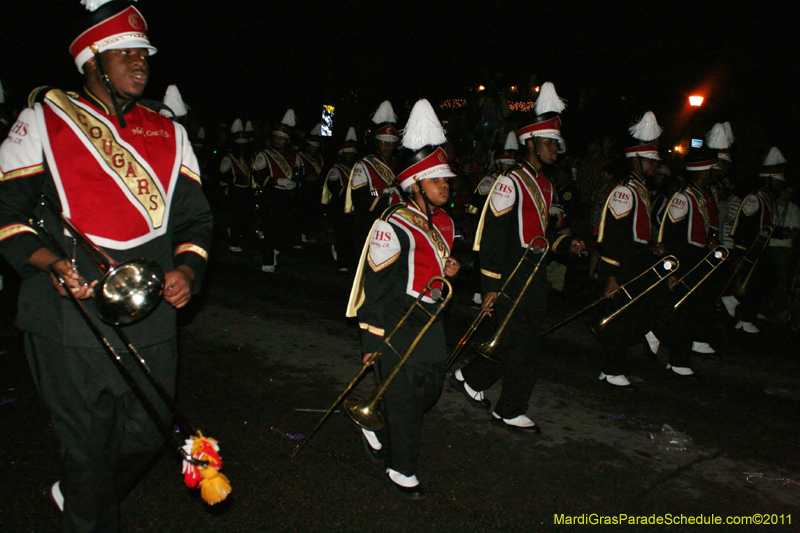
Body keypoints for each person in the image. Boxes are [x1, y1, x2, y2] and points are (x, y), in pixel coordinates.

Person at [0, 2, 213, 531]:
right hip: (70, 319)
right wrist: (49, 261)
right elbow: (6, 215)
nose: (140, 63)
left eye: (144, 54)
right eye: (126, 53)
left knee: (150, 433)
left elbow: (197, 223)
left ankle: (80, 494)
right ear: (92, 60)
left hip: (153, 317)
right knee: (91, 452)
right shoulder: (42, 122)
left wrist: (186, 271)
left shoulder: (170, 134)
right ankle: (87, 499)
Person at [451, 82, 585, 432]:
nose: (555, 149)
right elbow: (493, 236)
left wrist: (563, 245)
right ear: (530, 144)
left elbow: (542, 235)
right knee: (524, 348)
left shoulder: (545, 184)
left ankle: (471, 377)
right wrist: (490, 285)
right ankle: (509, 409)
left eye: (556, 143)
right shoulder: (510, 182)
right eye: (548, 142)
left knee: (514, 340)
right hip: (511, 274)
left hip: (533, 273)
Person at [346, 99, 460, 500]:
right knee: (408, 395)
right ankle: (401, 467)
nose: (445, 186)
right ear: (416, 186)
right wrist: (371, 340)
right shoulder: (391, 223)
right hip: (397, 317)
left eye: (446, 180)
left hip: (431, 319)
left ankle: (376, 421)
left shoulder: (446, 222)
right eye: (436, 181)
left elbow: (433, 262)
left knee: (431, 390)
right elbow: (373, 287)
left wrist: (447, 271)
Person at [594, 111, 664, 387]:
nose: (656, 166)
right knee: (622, 317)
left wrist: (652, 245)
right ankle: (611, 369)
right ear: (636, 159)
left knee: (643, 310)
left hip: (638, 261)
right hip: (621, 264)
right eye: (651, 161)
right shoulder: (625, 191)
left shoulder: (640, 188)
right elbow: (613, 234)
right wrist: (610, 274)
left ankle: (614, 361)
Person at [657, 149, 723, 376]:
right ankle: (677, 360)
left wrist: (710, 242)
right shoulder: (683, 197)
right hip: (684, 260)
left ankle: (675, 354)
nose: (715, 172)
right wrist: (673, 268)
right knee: (682, 312)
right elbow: (672, 234)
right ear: (703, 171)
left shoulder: (698, 196)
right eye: (712, 169)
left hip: (696, 259)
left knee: (690, 310)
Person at [722, 147, 788, 333]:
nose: (779, 185)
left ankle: (744, 315)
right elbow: (746, 227)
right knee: (754, 283)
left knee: (761, 283)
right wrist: (742, 252)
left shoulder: (767, 199)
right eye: (776, 181)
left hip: (760, 249)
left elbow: (764, 226)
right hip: (751, 250)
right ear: (768, 179)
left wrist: (779, 232)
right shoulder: (755, 198)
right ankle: (739, 309)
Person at [252, 108, 303, 273]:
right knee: (270, 228)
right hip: (271, 196)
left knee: (286, 231)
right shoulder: (264, 155)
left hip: (287, 197)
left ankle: (274, 250)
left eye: (282, 139)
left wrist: (295, 183)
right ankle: (267, 261)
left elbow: (299, 175)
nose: (279, 141)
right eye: (277, 138)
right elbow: (258, 175)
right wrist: (275, 181)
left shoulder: (295, 156)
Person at [345, 100, 400, 248]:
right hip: (370, 223)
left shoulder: (400, 166)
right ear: (376, 143)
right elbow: (359, 199)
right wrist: (383, 194)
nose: (387, 147)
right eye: (383, 142)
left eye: (390, 143)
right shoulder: (364, 165)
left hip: (396, 221)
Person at [321, 127, 358, 271]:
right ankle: (342, 263)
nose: (349, 157)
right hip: (340, 207)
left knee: (352, 235)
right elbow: (334, 186)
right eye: (347, 154)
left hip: (354, 207)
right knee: (342, 234)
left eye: (352, 154)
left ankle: (350, 260)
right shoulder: (336, 169)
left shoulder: (358, 169)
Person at [219, 118, 254, 252]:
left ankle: (242, 239)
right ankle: (233, 241)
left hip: (246, 191)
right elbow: (223, 174)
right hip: (235, 191)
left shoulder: (250, 158)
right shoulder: (229, 158)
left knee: (245, 217)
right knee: (235, 217)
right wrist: (235, 179)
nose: (242, 148)